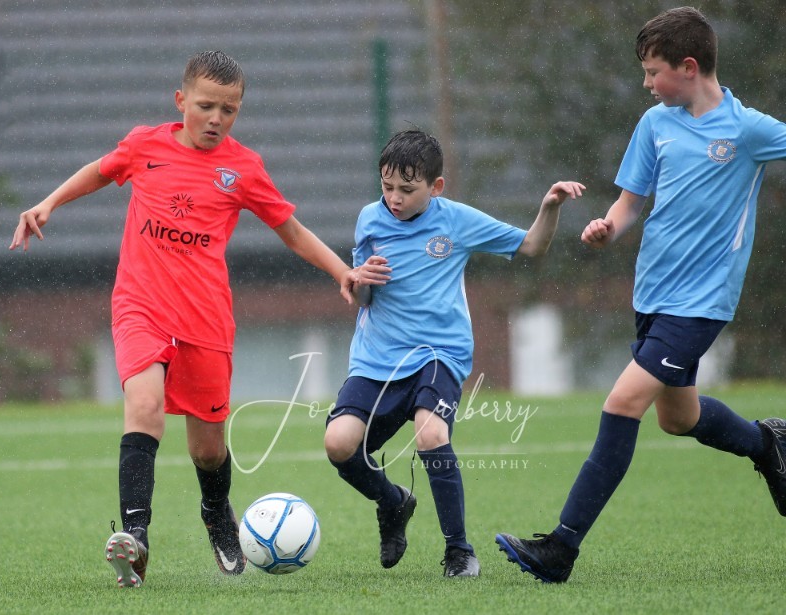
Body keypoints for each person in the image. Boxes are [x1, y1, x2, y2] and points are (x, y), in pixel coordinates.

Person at [9, 50, 356, 588]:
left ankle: (216, 512)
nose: (216, 118)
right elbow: (100, 171)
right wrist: (48, 203)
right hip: (140, 307)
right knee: (144, 406)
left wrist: (342, 271)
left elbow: (290, 230)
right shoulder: (144, 145)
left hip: (206, 320)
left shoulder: (243, 168)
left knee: (207, 449)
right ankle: (135, 538)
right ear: (181, 101)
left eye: (228, 110)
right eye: (206, 106)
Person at [496, 6, 786, 583]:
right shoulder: (655, 124)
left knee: (622, 402)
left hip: (701, 303)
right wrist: (608, 227)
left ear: (688, 66)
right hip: (653, 294)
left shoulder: (748, 130)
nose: (647, 83)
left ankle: (561, 547)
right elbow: (630, 201)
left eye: (654, 72)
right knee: (678, 418)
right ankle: (767, 443)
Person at [323, 128, 584, 577]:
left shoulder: (456, 221)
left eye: (407, 190)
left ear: (436, 186)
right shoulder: (369, 219)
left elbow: (532, 245)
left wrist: (550, 207)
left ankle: (459, 550)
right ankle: (393, 502)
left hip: (439, 354)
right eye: (387, 186)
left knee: (431, 434)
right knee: (338, 444)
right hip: (377, 357)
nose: (394, 198)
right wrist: (360, 279)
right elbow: (362, 298)